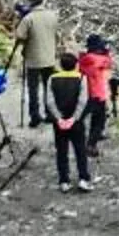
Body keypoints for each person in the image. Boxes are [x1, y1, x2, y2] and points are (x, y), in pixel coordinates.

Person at [11, 0, 61, 129]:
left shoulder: (28, 18)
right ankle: (50, 114)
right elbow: (57, 35)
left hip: (33, 59)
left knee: (33, 88)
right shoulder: (52, 16)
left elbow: (20, 36)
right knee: (48, 88)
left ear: (31, 3)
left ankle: (35, 116)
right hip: (49, 58)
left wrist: (19, 21)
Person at [44, 57, 93, 192]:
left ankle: (64, 180)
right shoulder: (81, 78)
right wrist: (74, 118)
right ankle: (83, 178)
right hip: (76, 122)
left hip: (59, 121)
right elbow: (83, 100)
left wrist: (58, 118)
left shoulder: (52, 78)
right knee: (80, 150)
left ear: (61, 65)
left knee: (61, 150)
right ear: (76, 65)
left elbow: (49, 101)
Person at [77, 33, 115, 155]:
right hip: (98, 94)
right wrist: (107, 51)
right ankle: (91, 145)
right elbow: (109, 63)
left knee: (90, 116)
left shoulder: (86, 59)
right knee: (99, 121)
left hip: (90, 93)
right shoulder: (96, 59)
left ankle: (73, 131)